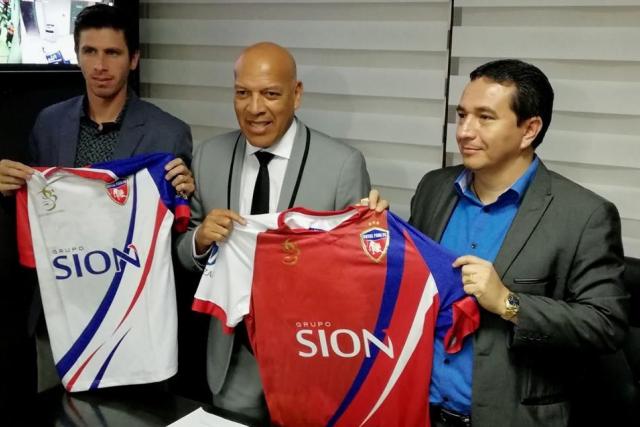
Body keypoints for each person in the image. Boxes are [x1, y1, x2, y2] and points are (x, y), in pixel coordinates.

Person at [409, 59, 628, 426]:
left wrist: (508, 303)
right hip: (419, 411)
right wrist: (373, 231)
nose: (464, 131)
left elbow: (605, 325)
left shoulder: (584, 214)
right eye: (461, 115)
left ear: (529, 129)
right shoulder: (434, 187)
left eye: (485, 118)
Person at [175, 41, 383, 422]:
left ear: (296, 94)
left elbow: (362, 276)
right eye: (243, 93)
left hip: (310, 357)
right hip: (233, 356)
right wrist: (200, 240)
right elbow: (183, 253)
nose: (255, 108)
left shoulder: (341, 165)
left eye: (270, 94)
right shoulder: (209, 157)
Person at [0, 4, 194, 393]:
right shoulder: (49, 123)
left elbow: (176, 236)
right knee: (56, 413)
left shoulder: (167, 133)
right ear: (76, 54)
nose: (100, 65)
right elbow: (38, 214)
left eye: (112, 53)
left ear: (133, 59)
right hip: (60, 313)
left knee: (130, 415)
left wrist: (186, 192)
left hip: (130, 319)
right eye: (89, 51)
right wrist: (9, 188)